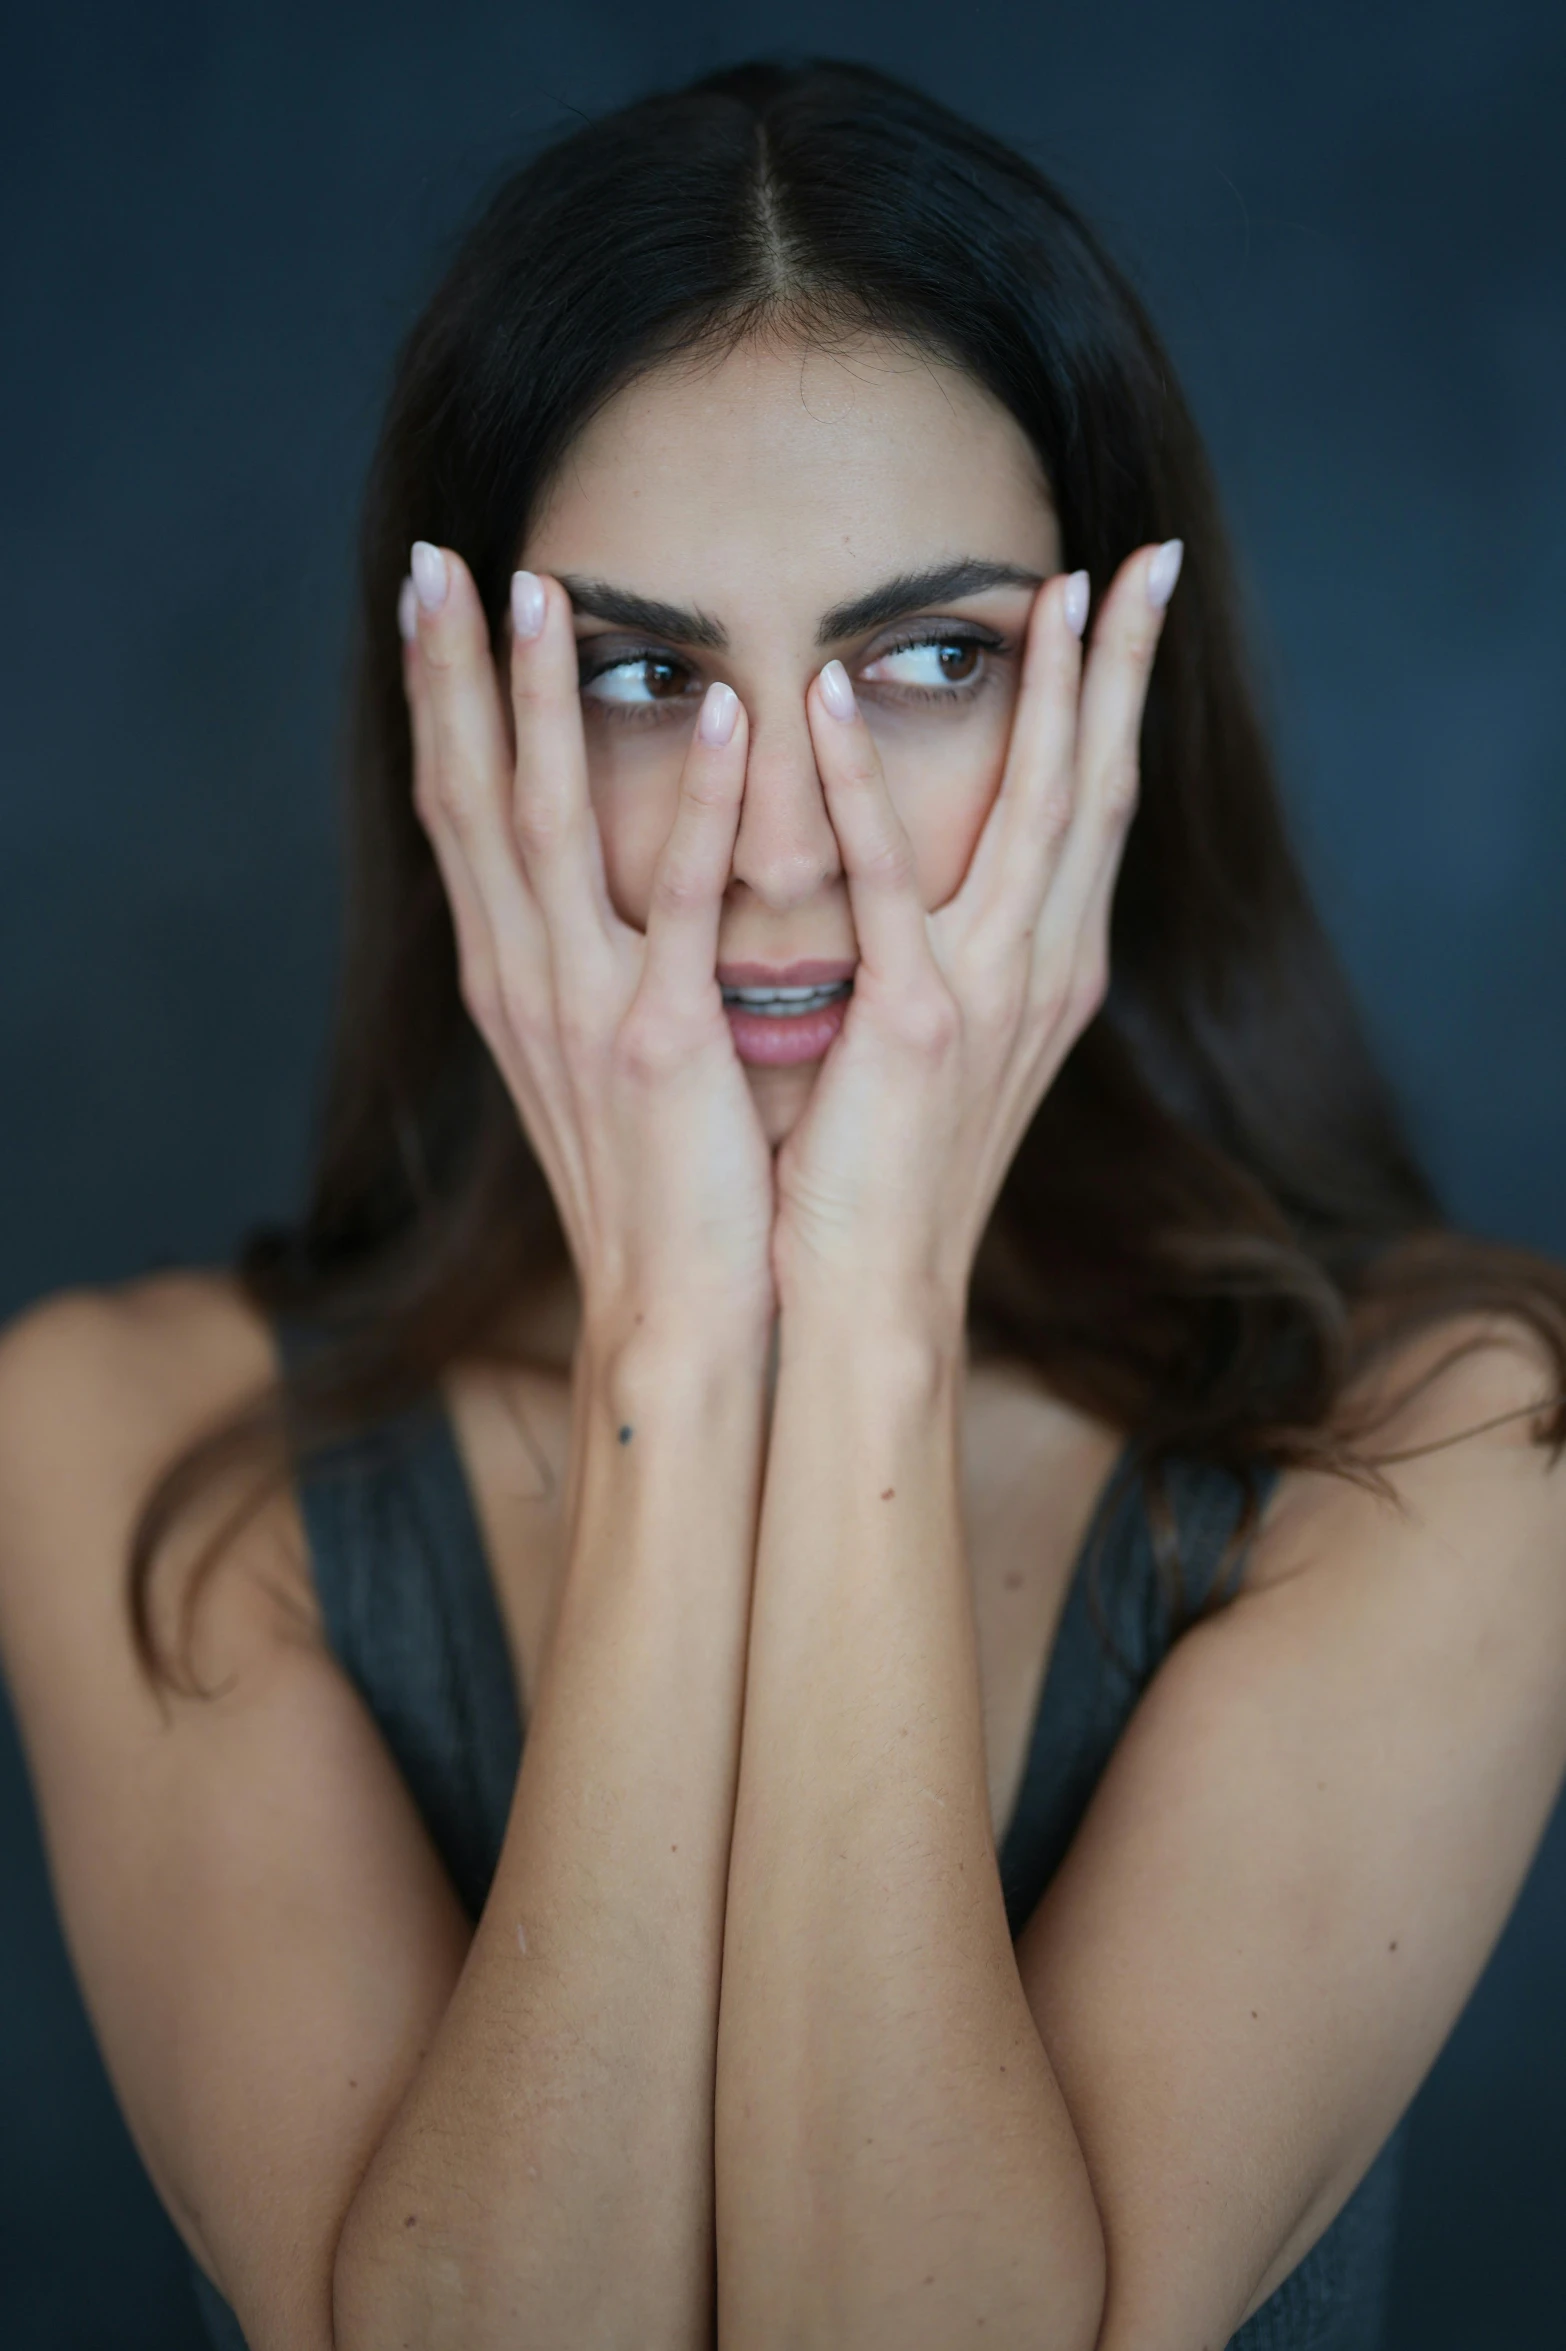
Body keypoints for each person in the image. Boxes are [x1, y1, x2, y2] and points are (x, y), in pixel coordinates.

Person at [2, 54, 1564, 2351]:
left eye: (929, 659)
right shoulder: (110, 1436)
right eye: (642, 675)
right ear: (453, 734)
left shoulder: (1461, 1440)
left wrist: (863, 1321)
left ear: (1118, 705)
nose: (782, 845)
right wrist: (677, 1351)